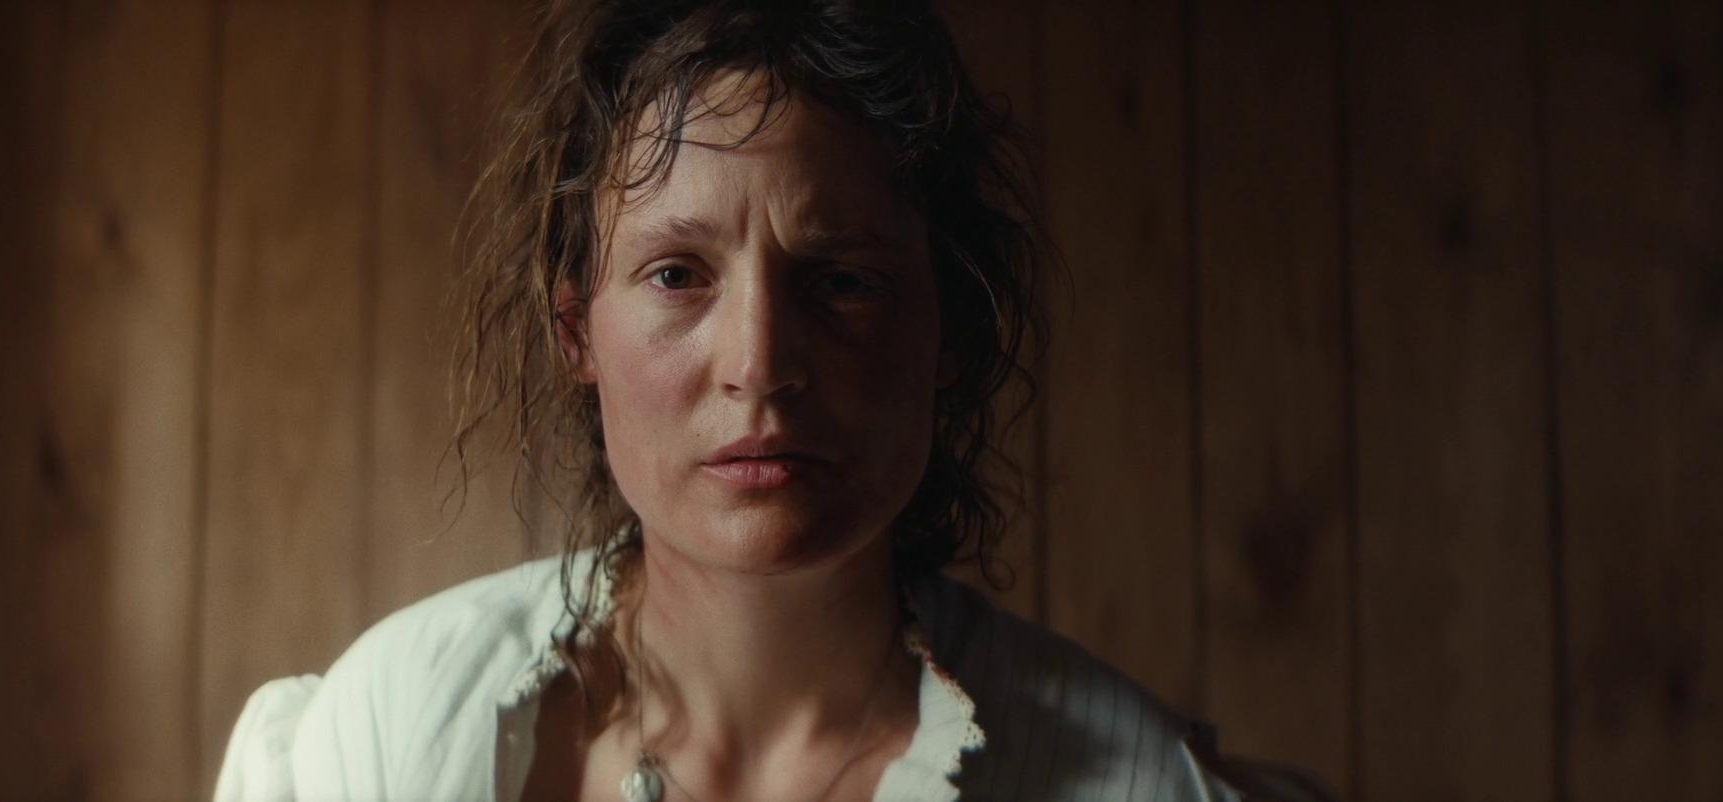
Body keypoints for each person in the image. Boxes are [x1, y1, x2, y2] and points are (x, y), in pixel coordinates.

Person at [215, 1, 1329, 800]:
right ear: (575, 331)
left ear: (948, 326)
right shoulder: (388, 732)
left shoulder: (1128, 779)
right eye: (676, 274)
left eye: (841, 280)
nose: (759, 362)